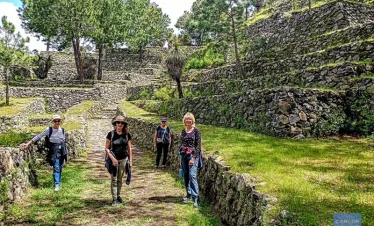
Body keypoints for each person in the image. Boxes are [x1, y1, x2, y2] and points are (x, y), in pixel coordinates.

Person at [20, 114, 67, 192]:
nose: (57, 122)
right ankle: (57, 184)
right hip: (54, 152)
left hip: (62, 151)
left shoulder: (62, 130)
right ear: (53, 121)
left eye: (58, 120)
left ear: (60, 121)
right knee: (56, 167)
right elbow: (39, 136)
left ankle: (59, 183)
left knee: (60, 167)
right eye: (55, 121)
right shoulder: (49, 130)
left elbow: (63, 141)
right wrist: (28, 143)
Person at [105, 115, 133, 206]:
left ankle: (118, 195)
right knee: (114, 179)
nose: (119, 124)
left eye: (121, 123)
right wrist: (113, 159)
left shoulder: (127, 135)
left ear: (124, 125)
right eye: (118, 123)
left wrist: (131, 161)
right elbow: (107, 148)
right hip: (114, 160)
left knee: (120, 179)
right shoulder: (111, 134)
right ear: (115, 124)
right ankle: (114, 199)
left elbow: (129, 149)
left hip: (124, 159)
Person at [180, 112, 201, 208]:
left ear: (193, 120)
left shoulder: (196, 131)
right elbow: (182, 145)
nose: (188, 121)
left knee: (192, 175)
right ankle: (188, 194)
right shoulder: (183, 131)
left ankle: (196, 197)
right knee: (186, 175)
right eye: (186, 119)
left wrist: (193, 158)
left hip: (193, 155)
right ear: (184, 121)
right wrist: (181, 157)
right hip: (184, 155)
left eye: (190, 119)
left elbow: (198, 146)